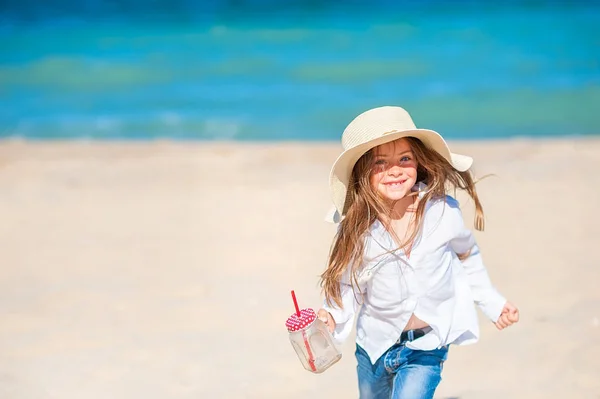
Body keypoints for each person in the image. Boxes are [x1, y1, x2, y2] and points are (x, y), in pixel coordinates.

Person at [317, 106, 519, 399]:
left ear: (418, 162)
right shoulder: (357, 228)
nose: (395, 169)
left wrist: (492, 302)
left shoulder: (442, 211)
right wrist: (332, 316)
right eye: (380, 163)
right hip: (374, 346)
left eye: (404, 159)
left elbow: (467, 255)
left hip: (426, 347)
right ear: (362, 172)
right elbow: (346, 282)